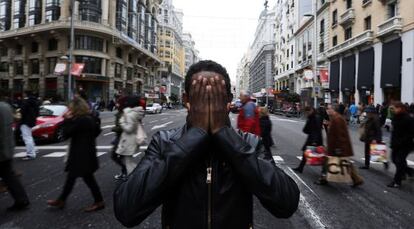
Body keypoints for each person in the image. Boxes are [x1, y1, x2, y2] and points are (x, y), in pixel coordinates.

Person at [113, 60, 300, 228]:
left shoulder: (249, 142)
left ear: (228, 100)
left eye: (216, 96)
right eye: (201, 95)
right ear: (187, 100)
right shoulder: (164, 142)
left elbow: (286, 203)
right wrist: (195, 135)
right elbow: (126, 209)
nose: (208, 102)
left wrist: (224, 134)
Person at [47, 97, 104, 212]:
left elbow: (66, 134)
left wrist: (66, 120)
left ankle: (99, 201)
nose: (69, 109)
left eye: (70, 108)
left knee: (85, 179)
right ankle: (62, 200)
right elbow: (97, 132)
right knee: (74, 178)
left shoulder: (80, 120)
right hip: (86, 153)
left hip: (80, 155)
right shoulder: (90, 118)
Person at [316, 104, 364, 187]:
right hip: (337, 146)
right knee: (346, 163)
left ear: (333, 110)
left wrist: (338, 148)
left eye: (329, 109)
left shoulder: (337, 119)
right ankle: (357, 179)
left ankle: (323, 178)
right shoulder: (335, 118)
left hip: (337, 147)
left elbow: (340, 135)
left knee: (327, 161)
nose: (327, 110)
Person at [0, 97, 30, 211]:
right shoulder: (6, 107)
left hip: (1, 148)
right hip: (8, 146)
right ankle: (22, 199)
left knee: (9, 175)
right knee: (9, 175)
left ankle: (21, 200)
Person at [115, 95, 145, 175]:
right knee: (128, 161)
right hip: (132, 139)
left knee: (128, 162)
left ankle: (135, 178)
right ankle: (138, 176)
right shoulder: (136, 112)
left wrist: (122, 122)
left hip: (129, 140)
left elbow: (129, 129)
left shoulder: (130, 114)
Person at [387, 102, 414, 188]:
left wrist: (401, 141)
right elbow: (394, 131)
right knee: (394, 159)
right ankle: (409, 172)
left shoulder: (408, 118)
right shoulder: (395, 117)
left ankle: (397, 181)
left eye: (394, 108)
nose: (392, 110)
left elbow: (411, 133)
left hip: (405, 145)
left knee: (399, 161)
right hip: (395, 143)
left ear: (400, 108)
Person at [293, 106, 323, 173]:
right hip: (312, 138)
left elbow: (317, 130)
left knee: (320, 156)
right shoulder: (311, 117)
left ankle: (324, 173)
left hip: (315, 140)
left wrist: (315, 141)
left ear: (311, 110)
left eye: (307, 112)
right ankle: (300, 168)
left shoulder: (316, 117)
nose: (307, 114)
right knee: (305, 153)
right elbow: (308, 129)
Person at [19, 90, 39, 160]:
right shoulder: (35, 101)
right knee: (29, 136)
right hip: (31, 121)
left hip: (25, 121)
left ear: (26, 94)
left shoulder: (26, 102)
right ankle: (34, 150)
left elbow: (22, 111)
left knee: (27, 137)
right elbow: (37, 112)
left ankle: (30, 154)